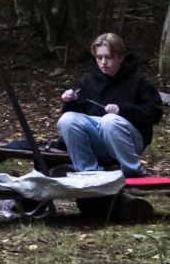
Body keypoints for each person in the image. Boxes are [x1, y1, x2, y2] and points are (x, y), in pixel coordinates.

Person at [57, 31, 164, 174]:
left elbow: (155, 113)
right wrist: (70, 102)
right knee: (67, 119)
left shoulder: (138, 80)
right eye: (99, 57)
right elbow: (79, 118)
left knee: (109, 120)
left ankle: (133, 172)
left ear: (120, 57)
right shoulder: (89, 80)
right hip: (98, 140)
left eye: (108, 57)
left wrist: (122, 110)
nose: (103, 62)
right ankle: (88, 171)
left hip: (130, 141)